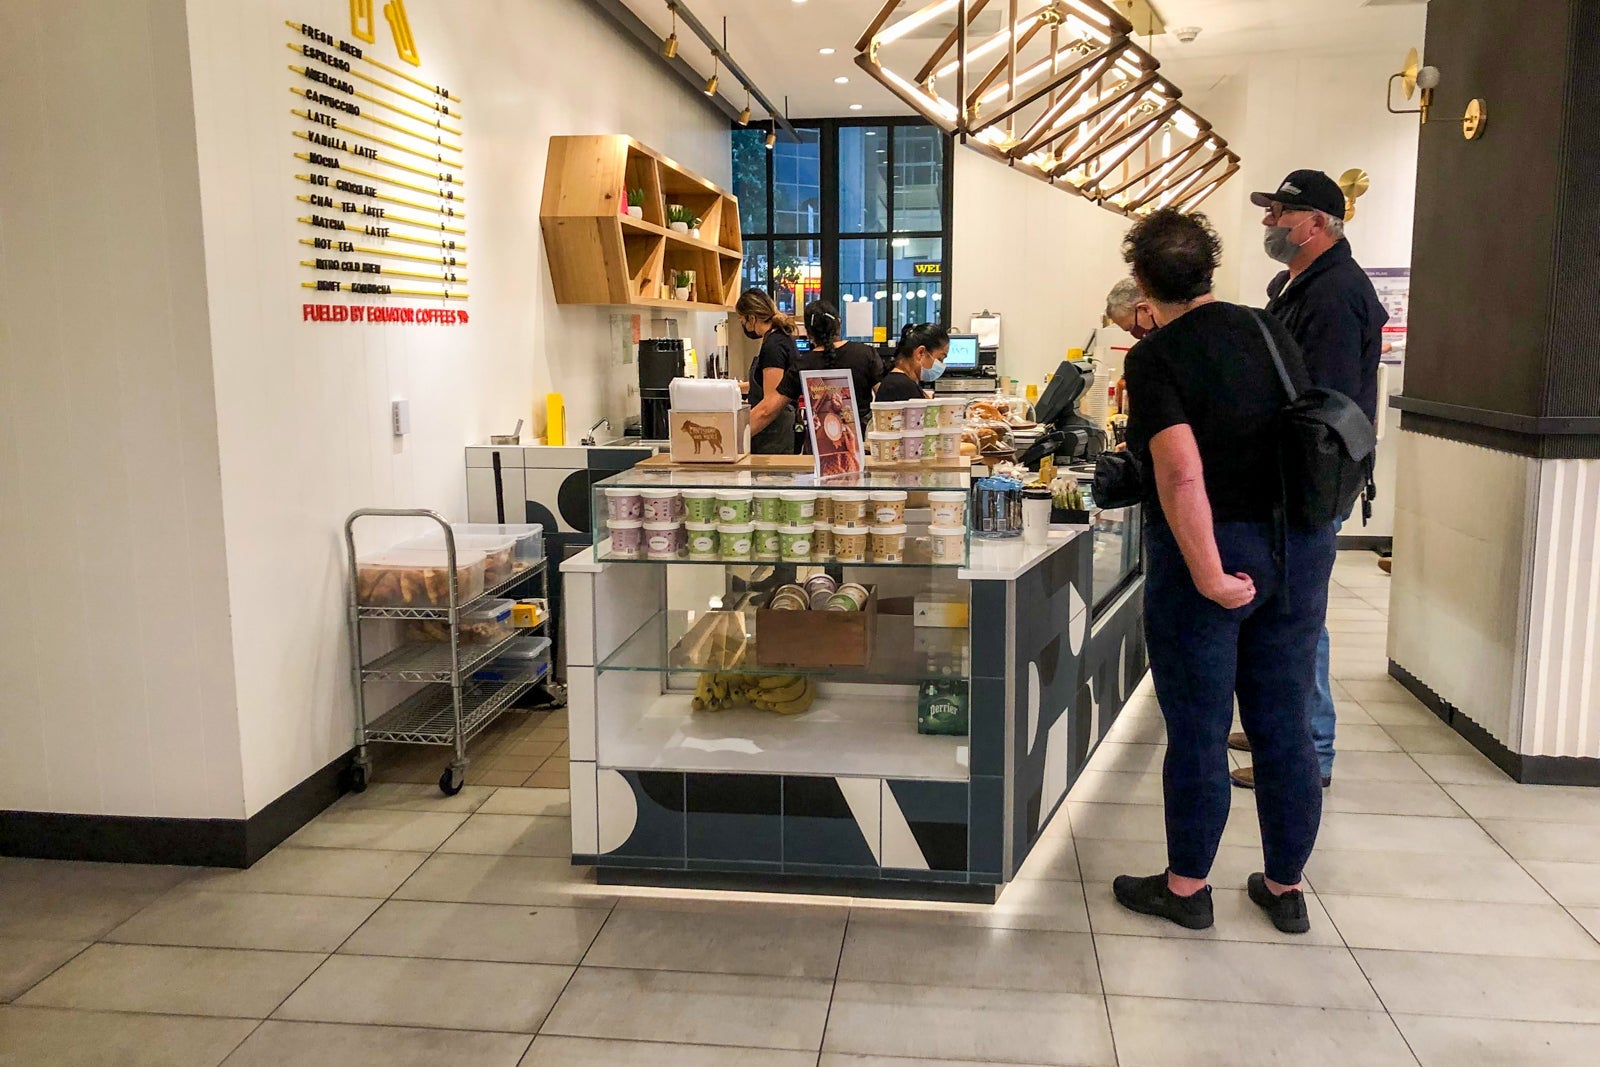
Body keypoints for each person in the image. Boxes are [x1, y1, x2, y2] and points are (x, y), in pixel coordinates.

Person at [1112, 208, 1336, 935]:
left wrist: (1207, 573)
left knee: (1201, 729)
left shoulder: (1155, 358)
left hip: (1213, 555)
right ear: (1209, 267)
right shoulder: (1270, 328)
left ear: (1142, 282)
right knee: (1284, 725)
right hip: (1297, 549)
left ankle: (1186, 889)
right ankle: (1286, 886)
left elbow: (1179, 475)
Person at [1229, 170, 1388, 792]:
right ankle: (1279, 728)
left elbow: (1321, 402)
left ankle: (1308, 750)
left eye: (1281, 215)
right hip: (1287, 478)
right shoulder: (1292, 285)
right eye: (1269, 213)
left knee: (1301, 617)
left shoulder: (1334, 294)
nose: (1269, 224)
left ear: (1318, 224)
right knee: (1287, 612)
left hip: (1313, 479)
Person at [735, 288, 802, 454]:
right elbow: (774, 383)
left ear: (752, 318)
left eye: (742, 321)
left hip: (774, 434)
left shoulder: (774, 345)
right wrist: (734, 388)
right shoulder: (779, 338)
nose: (743, 326)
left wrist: (737, 434)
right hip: (774, 430)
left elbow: (770, 404)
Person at [798, 299, 881, 428]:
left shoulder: (803, 363)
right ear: (839, 324)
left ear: (808, 332)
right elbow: (884, 395)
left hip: (819, 439)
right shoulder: (865, 354)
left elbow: (770, 407)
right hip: (863, 437)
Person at [874, 322, 949, 403]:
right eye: (940, 358)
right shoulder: (903, 387)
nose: (941, 365)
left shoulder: (896, 382)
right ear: (921, 352)